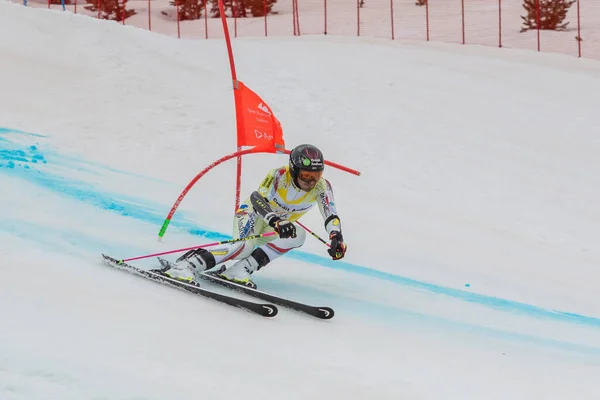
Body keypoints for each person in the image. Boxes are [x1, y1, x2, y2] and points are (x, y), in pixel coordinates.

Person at [161, 144, 347, 289]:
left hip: (277, 226)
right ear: (294, 169)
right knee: (244, 246)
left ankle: (241, 269)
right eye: (306, 175)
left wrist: (336, 237)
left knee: (299, 235)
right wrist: (276, 220)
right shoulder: (280, 175)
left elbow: (331, 215)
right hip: (254, 214)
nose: (311, 182)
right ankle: (187, 265)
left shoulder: (322, 187)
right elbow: (257, 198)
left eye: (317, 175)